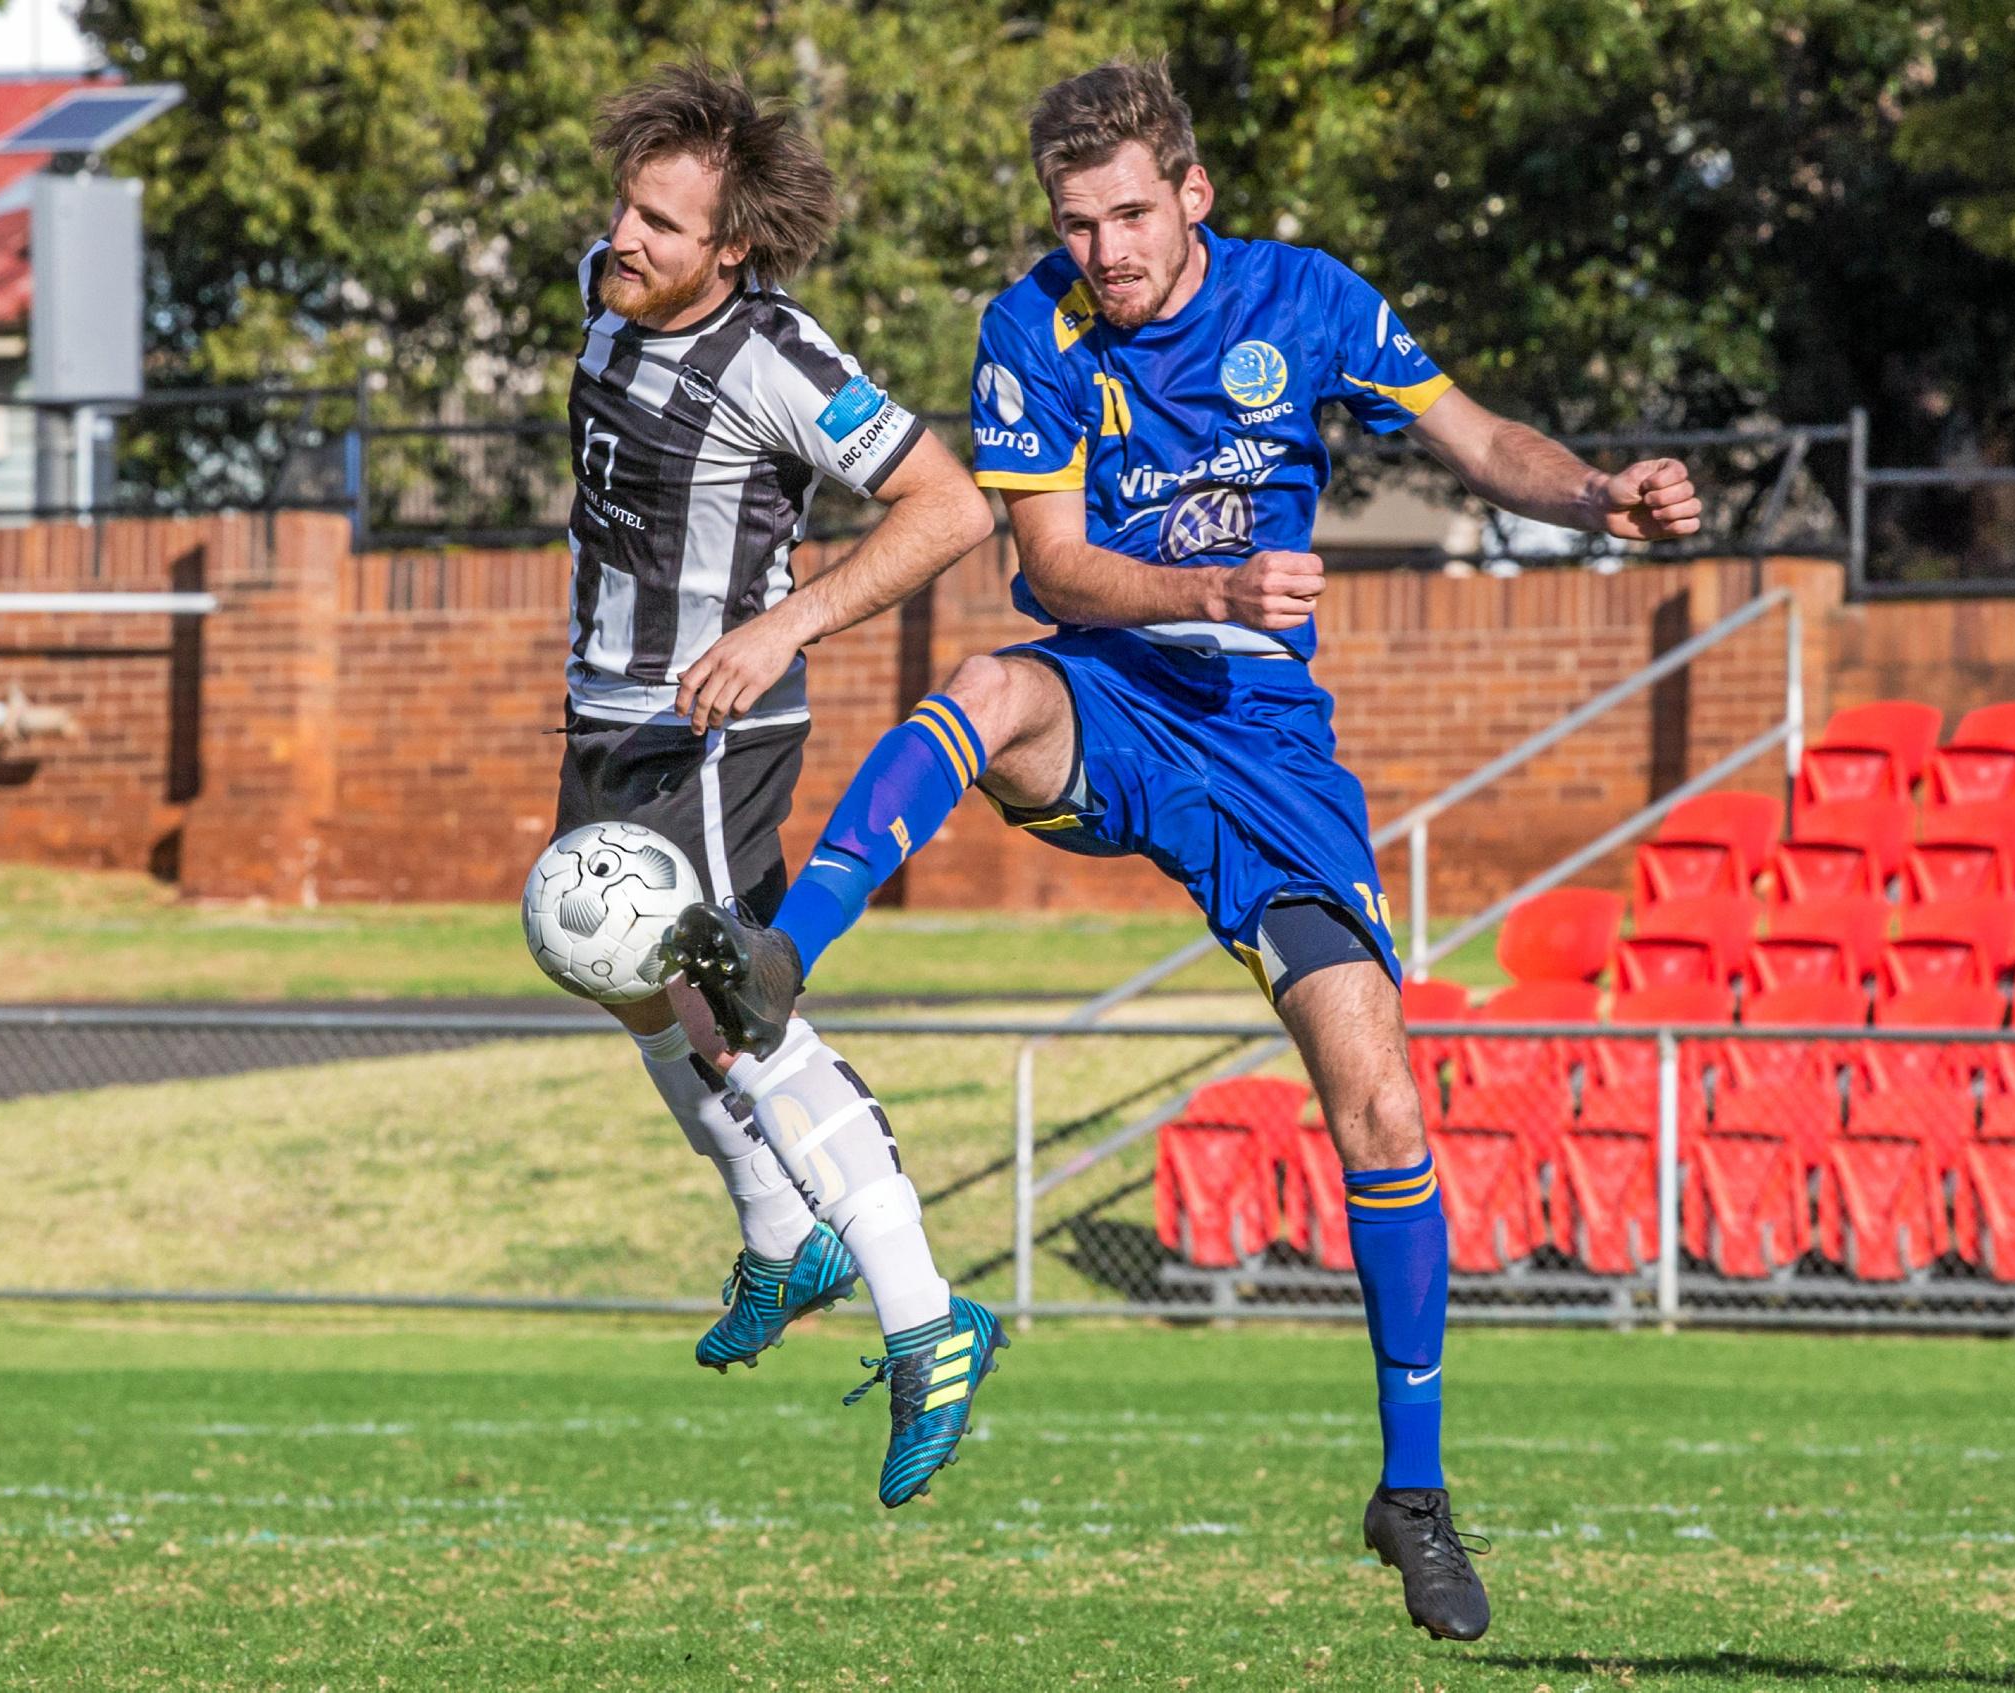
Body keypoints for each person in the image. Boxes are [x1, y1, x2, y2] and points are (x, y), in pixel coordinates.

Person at [669, 56, 1701, 1638]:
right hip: (1112, 693)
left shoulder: (1308, 302)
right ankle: (781, 955)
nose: (1105, 251)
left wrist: (1601, 496)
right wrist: (1209, 593)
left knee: (1376, 1101)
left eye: (1131, 215)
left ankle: (1409, 1492)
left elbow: (1482, 442)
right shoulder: (1032, 327)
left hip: (1271, 757)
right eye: (1077, 224)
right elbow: (1059, 565)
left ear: (1192, 196)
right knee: (988, 685)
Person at [547, 62, 1008, 1506]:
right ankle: (776, 1228)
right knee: (619, 979)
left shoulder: (780, 360)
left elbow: (952, 506)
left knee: (741, 1012)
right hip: (604, 713)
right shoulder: (605, 284)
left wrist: (783, 622)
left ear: (729, 249)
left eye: (663, 227)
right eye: (626, 208)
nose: (626, 239)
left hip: (710, 735)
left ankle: (928, 1317)